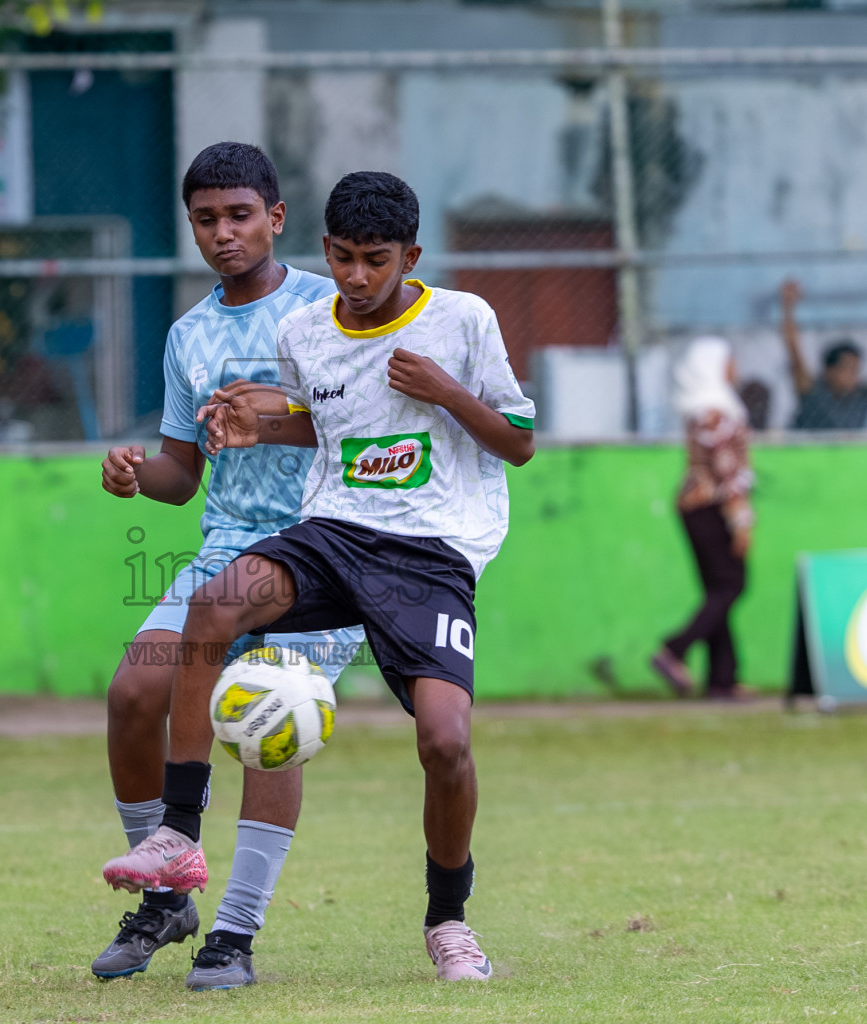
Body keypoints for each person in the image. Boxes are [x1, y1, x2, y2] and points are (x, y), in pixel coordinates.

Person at [101, 171, 537, 983]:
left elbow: (517, 441)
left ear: (410, 255)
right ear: (326, 251)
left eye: (376, 261)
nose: (358, 278)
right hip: (333, 533)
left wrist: (444, 391)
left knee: (445, 743)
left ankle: (448, 919)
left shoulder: (462, 320)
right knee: (212, 604)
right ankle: (179, 836)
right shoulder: (308, 332)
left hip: (431, 555)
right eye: (343, 259)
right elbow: (324, 427)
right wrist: (254, 422)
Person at [94, 142, 363, 991]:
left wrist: (274, 415)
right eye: (205, 219)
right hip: (221, 549)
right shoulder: (190, 334)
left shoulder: (332, 311)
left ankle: (235, 936)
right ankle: (166, 895)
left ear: (276, 219)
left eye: (239, 215)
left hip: (325, 546)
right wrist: (141, 478)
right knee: (134, 693)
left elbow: (372, 434)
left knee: (267, 723)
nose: (223, 233)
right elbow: (183, 477)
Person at [651, 338, 754, 700]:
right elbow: (727, 470)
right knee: (731, 585)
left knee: (717, 590)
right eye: (730, 359)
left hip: (697, 506)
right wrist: (742, 520)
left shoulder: (702, 409)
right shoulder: (717, 412)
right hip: (712, 508)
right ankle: (674, 650)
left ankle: (722, 679)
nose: (735, 367)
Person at [781, 279, 867, 430]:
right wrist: (788, 308)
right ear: (828, 371)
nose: (853, 376)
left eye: (856, 370)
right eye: (847, 369)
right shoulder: (812, 393)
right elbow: (793, 350)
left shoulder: (863, 398)